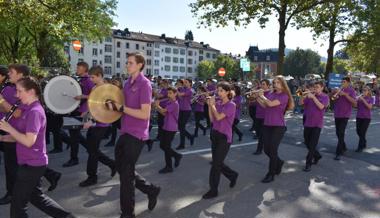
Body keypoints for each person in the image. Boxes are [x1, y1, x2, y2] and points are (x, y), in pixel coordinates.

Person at [0, 77, 75, 218]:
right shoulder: (26, 108)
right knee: (37, 198)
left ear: (32, 91)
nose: (16, 94)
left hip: (32, 165)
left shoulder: (35, 111)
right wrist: (2, 138)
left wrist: (9, 128)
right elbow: (19, 136)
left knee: (17, 207)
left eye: (19, 91)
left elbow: (29, 141)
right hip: (28, 162)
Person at [106, 53, 160, 218]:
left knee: (126, 178)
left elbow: (145, 114)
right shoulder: (127, 83)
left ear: (140, 65)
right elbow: (123, 106)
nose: (127, 65)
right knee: (124, 171)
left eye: (130, 63)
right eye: (127, 62)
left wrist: (121, 108)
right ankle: (151, 190)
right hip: (125, 131)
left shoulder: (145, 84)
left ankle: (127, 213)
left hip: (137, 135)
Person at [0, 64, 61, 205]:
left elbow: (17, 113)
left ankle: (13, 193)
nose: (9, 74)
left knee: (15, 168)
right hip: (15, 134)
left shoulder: (24, 94)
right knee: (35, 196)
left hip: (19, 134)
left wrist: (2, 101)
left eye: (11, 72)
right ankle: (50, 175)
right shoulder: (13, 89)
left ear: (21, 75)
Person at [78, 66, 116, 187]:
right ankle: (112, 164)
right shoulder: (94, 87)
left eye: (93, 77)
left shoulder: (106, 90)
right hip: (93, 122)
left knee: (92, 151)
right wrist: (86, 114)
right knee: (91, 149)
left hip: (102, 124)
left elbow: (104, 109)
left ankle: (92, 177)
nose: (91, 79)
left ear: (100, 75)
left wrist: (91, 120)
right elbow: (92, 105)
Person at [202, 82, 239, 199]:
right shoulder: (217, 103)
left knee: (216, 165)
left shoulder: (231, 105)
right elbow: (212, 119)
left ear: (228, 92)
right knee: (217, 162)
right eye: (218, 90)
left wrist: (212, 105)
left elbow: (219, 117)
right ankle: (233, 175)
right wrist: (209, 106)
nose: (218, 92)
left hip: (224, 137)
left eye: (221, 90)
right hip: (215, 134)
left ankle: (213, 190)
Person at [257, 76, 294, 183]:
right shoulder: (271, 94)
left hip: (278, 126)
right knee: (266, 149)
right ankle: (279, 162)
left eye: (278, 82)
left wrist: (262, 96)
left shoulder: (284, 96)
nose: (275, 84)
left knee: (272, 150)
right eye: (274, 82)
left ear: (283, 84)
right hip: (267, 124)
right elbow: (265, 106)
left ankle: (271, 173)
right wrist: (257, 97)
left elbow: (270, 103)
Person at [62, 61, 93, 167]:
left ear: (84, 68)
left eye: (78, 67)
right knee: (75, 135)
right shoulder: (77, 79)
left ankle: (74, 158)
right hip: (75, 109)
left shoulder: (89, 80)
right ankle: (91, 150)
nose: (77, 68)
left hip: (83, 111)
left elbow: (95, 95)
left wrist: (82, 97)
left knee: (74, 136)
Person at [299, 81, 329, 172]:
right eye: (314, 87)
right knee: (307, 142)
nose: (315, 89)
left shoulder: (325, 97)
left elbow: (321, 107)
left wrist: (313, 97)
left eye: (317, 87)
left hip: (317, 124)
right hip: (308, 123)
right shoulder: (310, 96)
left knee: (312, 145)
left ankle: (308, 164)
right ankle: (317, 155)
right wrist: (302, 96)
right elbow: (301, 104)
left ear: (322, 88)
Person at [154, 86, 183, 174]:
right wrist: (157, 107)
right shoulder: (169, 102)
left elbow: (163, 110)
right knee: (163, 146)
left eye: (170, 93)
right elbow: (163, 113)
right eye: (168, 93)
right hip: (166, 126)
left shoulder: (175, 104)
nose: (168, 95)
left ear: (175, 94)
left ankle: (169, 166)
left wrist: (157, 105)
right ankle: (176, 155)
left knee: (166, 147)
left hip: (171, 128)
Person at [331, 77, 356, 160]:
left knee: (341, 132)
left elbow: (354, 103)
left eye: (344, 81)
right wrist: (333, 94)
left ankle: (339, 152)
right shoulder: (339, 89)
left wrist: (345, 95)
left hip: (345, 114)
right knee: (338, 133)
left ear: (348, 83)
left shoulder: (351, 91)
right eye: (342, 81)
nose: (342, 83)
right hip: (337, 114)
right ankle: (343, 146)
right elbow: (333, 99)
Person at [253, 79, 271, 155]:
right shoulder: (260, 92)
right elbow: (252, 101)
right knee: (258, 133)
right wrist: (253, 96)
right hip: (258, 115)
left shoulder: (270, 93)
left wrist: (259, 97)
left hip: (265, 116)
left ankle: (259, 149)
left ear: (268, 85)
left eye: (263, 84)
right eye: (261, 84)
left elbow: (265, 105)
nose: (261, 86)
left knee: (261, 134)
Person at [176, 79, 194, 150]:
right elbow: (179, 97)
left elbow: (180, 94)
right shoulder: (183, 89)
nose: (184, 83)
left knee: (182, 127)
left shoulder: (189, 90)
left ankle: (182, 144)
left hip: (186, 110)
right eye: (184, 82)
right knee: (180, 127)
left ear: (190, 83)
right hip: (180, 110)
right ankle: (190, 137)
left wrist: (177, 89)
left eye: (186, 82)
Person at [355, 86, 373, 152]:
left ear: (368, 91)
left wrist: (363, 100)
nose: (364, 91)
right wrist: (356, 100)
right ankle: (364, 141)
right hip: (359, 116)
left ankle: (360, 147)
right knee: (358, 131)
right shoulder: (360, 98)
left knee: (362, 132)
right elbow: (355, 106)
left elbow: (369, 107)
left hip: (366, 118)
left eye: (365, 90)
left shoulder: (370, 98)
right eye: (363, 90)